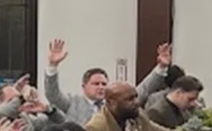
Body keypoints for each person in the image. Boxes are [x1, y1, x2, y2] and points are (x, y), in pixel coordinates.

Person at [44, 38, 178, 124]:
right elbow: (52, 94)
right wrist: (52, 66)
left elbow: (142, 90)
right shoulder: (72, 102)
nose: (101, 87)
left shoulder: (114, 102)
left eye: (104, 84)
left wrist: (161, 67)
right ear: (84, 86)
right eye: (96, 84)